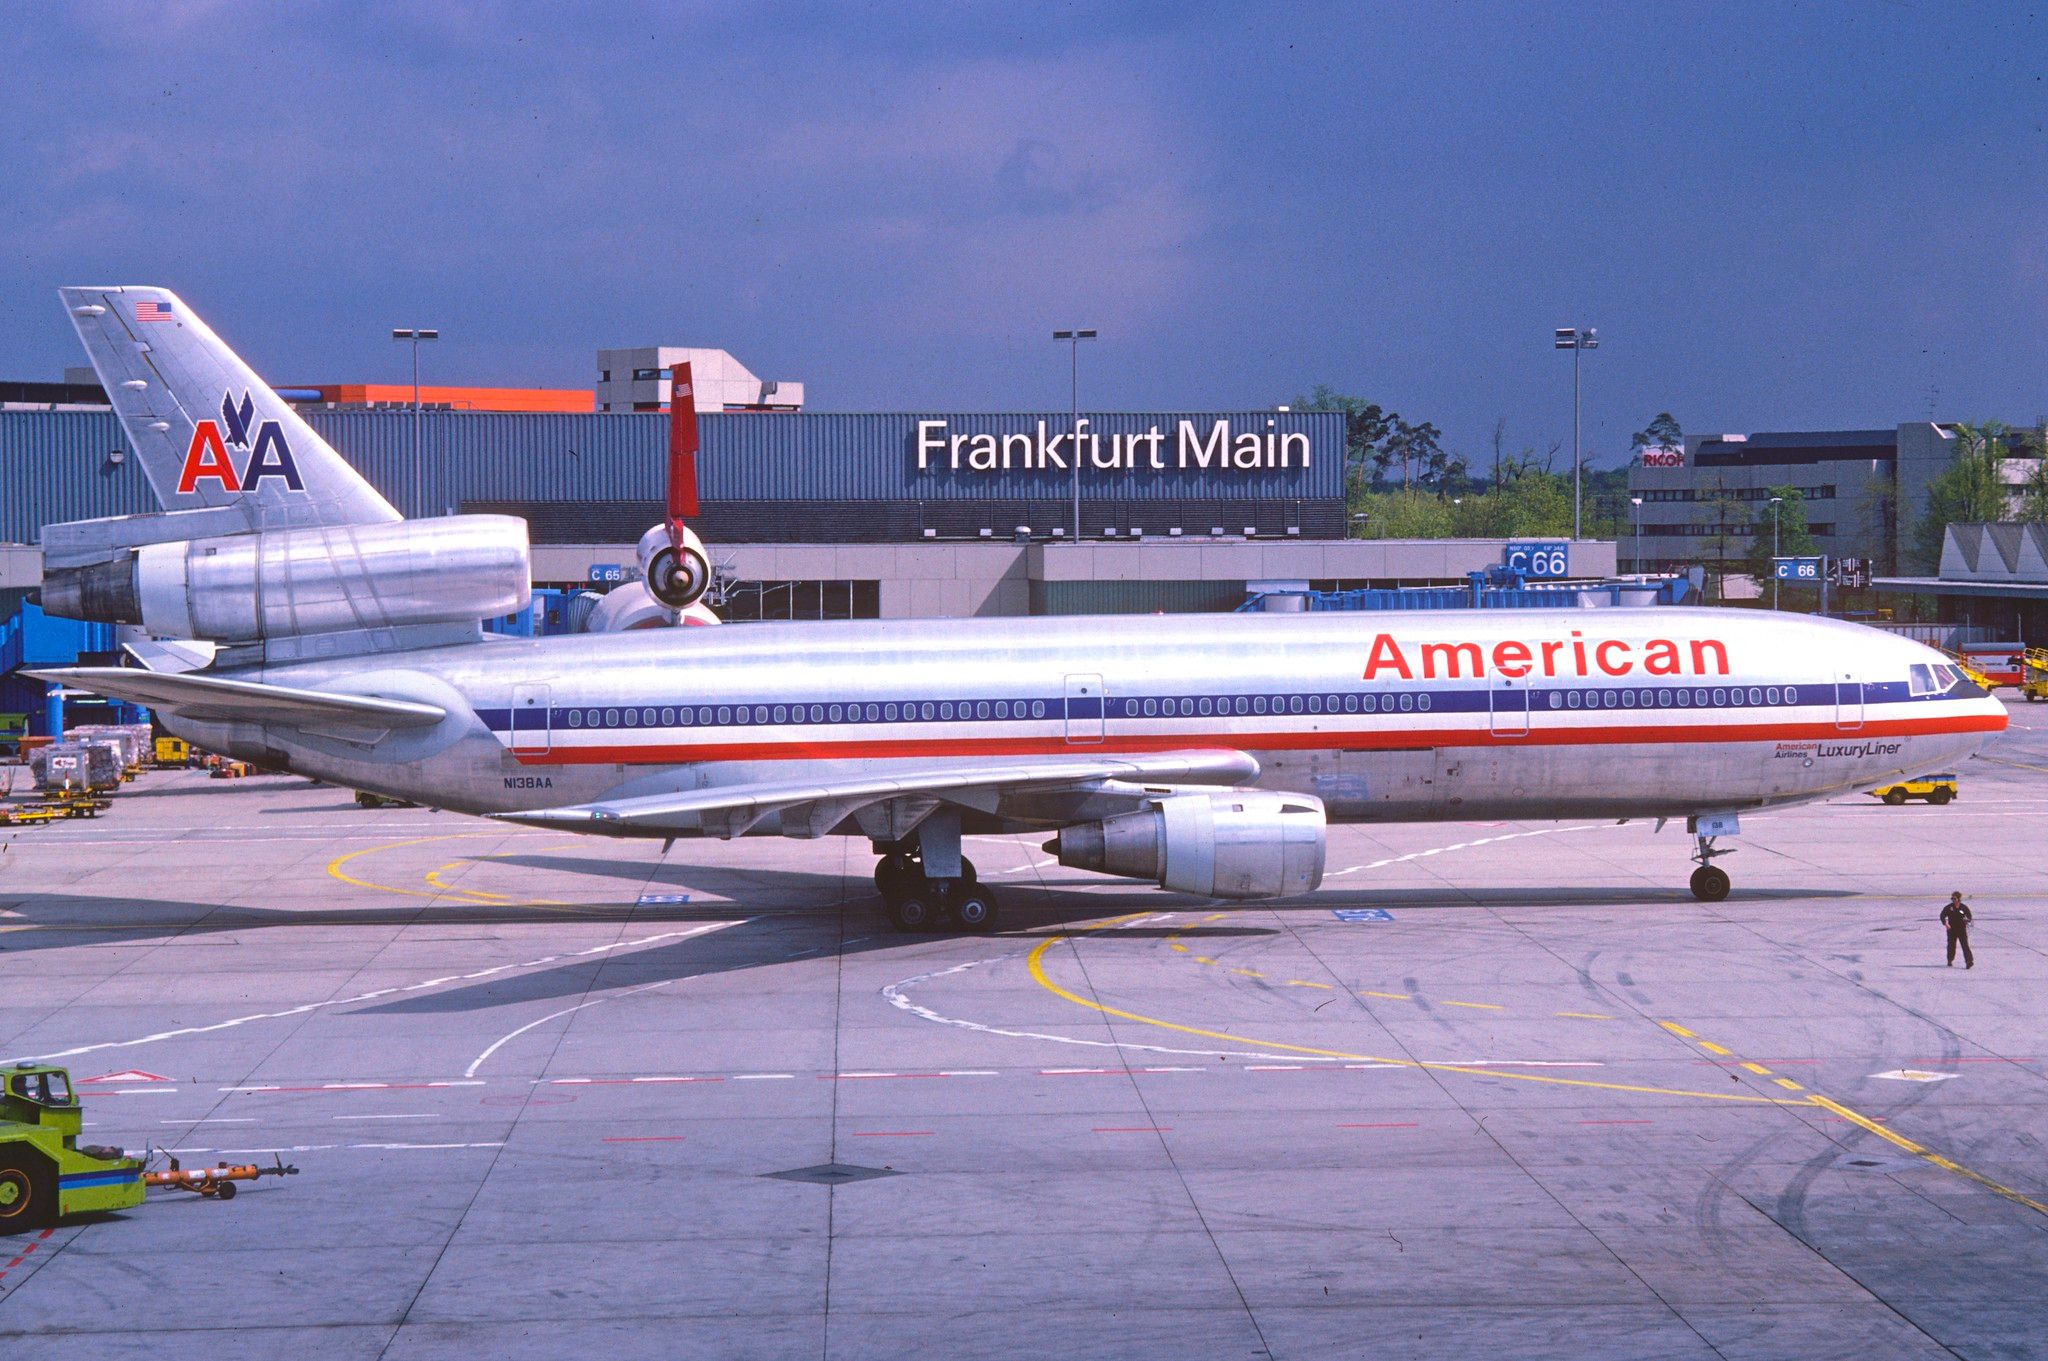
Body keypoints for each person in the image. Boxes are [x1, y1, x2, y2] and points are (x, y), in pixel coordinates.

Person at [1939, 892, 1975, 969]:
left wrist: (1967, 919)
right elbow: (1942, 915)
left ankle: (1969, 961)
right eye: (1952, 898)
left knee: (1965, 945)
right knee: (1951, 945)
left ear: (1958, 899)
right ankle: (1950, 959)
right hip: (1951, 929)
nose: (1953, 900)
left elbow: (1969, 916)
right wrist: (1945, 924)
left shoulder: (1963, 907)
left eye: (1954, 898)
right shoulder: (1949, 907)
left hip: (1961, 929)